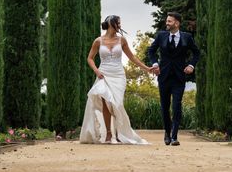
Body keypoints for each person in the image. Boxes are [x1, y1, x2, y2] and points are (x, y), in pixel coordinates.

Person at [79, 15, 151, 144]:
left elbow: (132, 57)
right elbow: (90, 58)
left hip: (118, 75)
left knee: (117, 104)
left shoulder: (122, 40)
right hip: (103, 74)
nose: (120, 26)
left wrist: (147, 68)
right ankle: (108, 133)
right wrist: (96, 71)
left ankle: (120, 133)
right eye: (118, 23)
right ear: (111, 24)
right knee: (106, 103)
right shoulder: (98, 41)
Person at [147, 11, 200, 146]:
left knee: (177, 106)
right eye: (167, 21)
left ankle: (174, 136)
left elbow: (196, 53)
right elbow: (151, 51)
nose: (167, 23)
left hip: (179, 77)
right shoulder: (161, 36)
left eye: (169, 21)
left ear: (176, 23)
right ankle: (167, 132)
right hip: (163, 77)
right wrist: (154, 64)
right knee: (165, 107)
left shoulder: (186, 37)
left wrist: (191, 65)